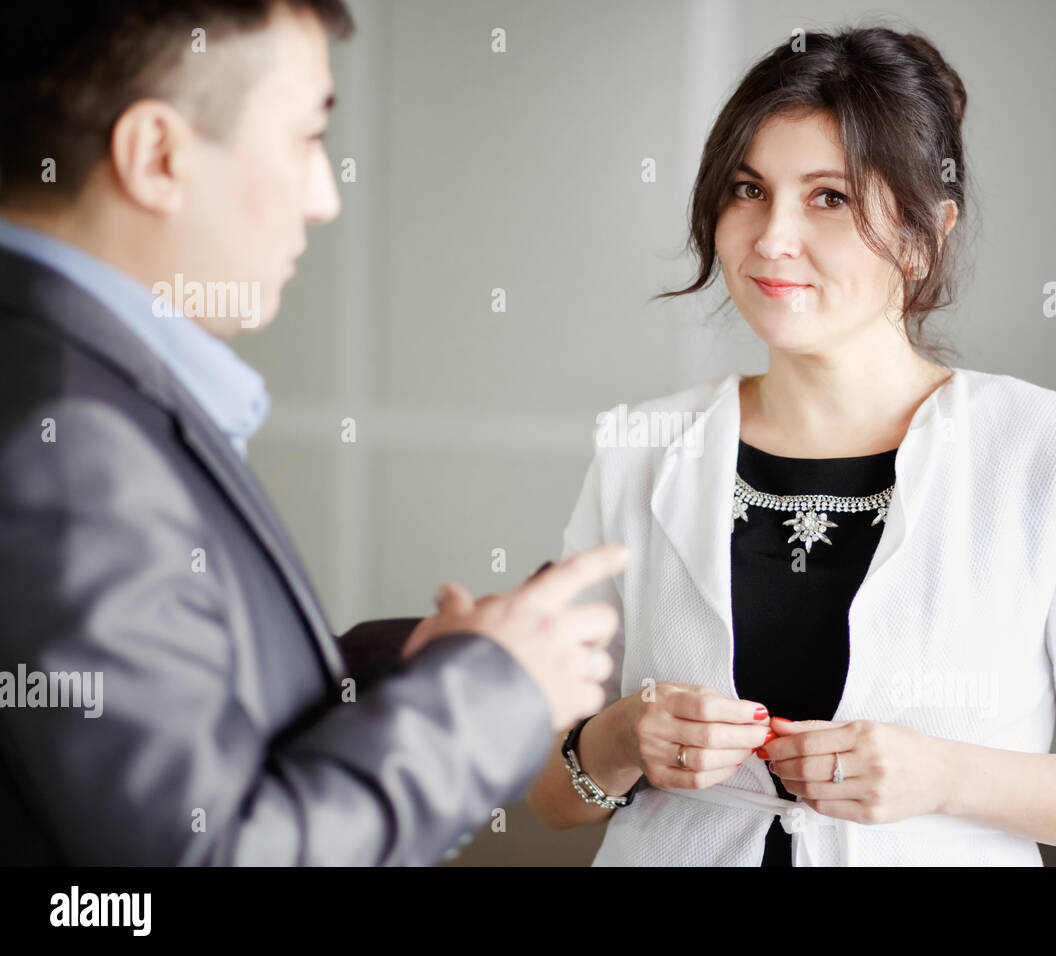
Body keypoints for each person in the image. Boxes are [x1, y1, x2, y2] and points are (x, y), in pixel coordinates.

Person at [526, 26, 1056, 866]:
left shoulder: (1049, 454)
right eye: (747, 189)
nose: (771, 238)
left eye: (828, 197)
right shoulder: (641, 447)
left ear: (925, 236)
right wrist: (622, 736)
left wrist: (942, 776)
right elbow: (551, 798)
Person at [0, 0, 627, 865]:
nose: (326, 198)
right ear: (158, 156)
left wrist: (424, 665)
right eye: (304, 139)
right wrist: (487, 693)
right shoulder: (70, 442)